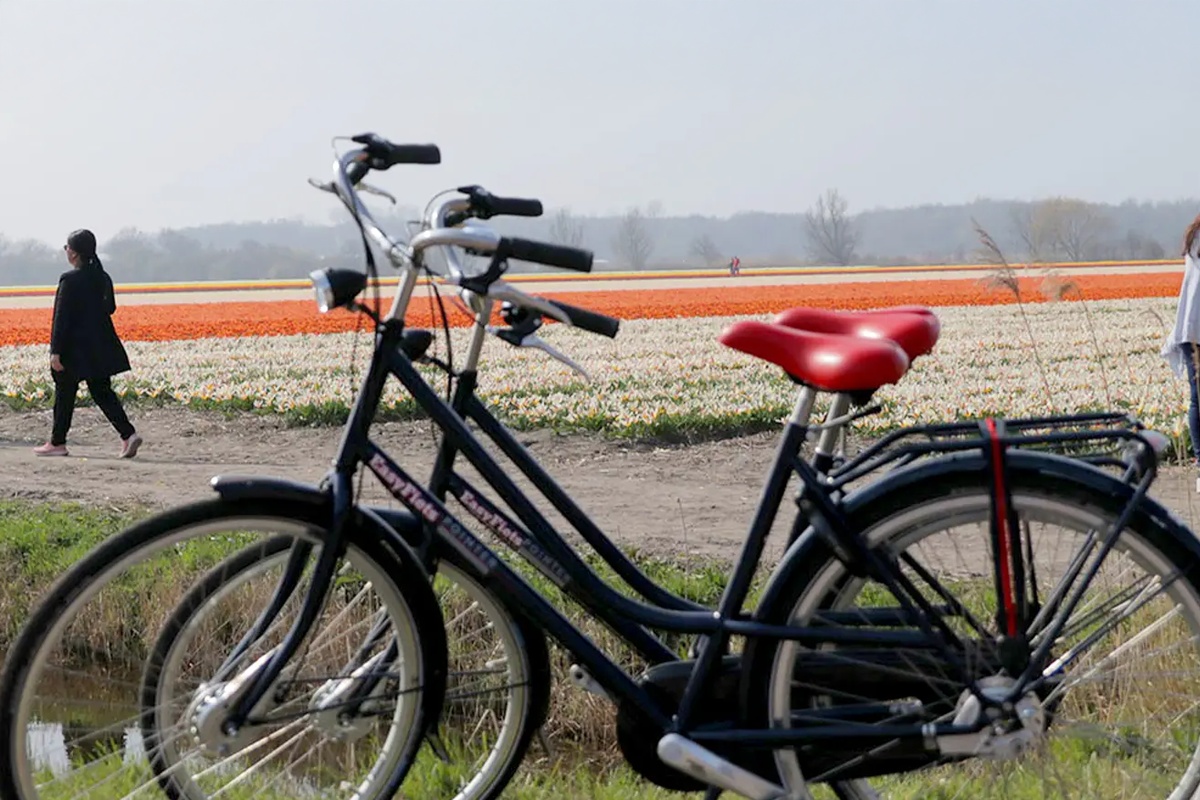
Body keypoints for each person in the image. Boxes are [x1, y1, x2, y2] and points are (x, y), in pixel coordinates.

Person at [33, 229, 143, 458]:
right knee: (102, 392)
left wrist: (55, 352)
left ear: (73, 253)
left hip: (74, 348)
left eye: (67, 248)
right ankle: (128, 435)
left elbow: (60, 318)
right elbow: (110, 308)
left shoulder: (69, 279)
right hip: (100, 345)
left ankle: (57, 442)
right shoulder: (103, 277)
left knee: (64, 393)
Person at [1163, 212, 1200, 491]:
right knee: (1198, 399)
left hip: (1191, 328)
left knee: (1197, 398)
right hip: (1195, 330)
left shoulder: (1193, 239)